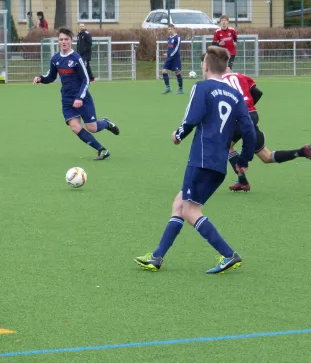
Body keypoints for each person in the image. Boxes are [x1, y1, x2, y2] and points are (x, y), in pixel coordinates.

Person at [134, 46, 256, 274]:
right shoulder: (236, 95)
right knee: (179, 204)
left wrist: (178, 135)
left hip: (200, 158)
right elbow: (249, 129)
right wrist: (244, 158)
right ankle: (157, 257)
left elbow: (192, 117)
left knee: (190, 211)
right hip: (219, 162)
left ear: (205, 65)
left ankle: (228, 254)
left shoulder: (201, 87)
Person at [222, 69, 311, 192]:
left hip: (238, 118)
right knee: (267, 157)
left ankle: (242, 181)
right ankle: (301, 152)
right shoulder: (241, 76)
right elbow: (257, 92)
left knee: (226, 146)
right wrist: (248, 105)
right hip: (252, 115)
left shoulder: (219, 80)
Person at [33, 27, 120, 160]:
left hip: (82, 98)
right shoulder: (55, 59)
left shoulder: (76, 58)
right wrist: (41, 79)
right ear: (58, 41)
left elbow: (86, 80)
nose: (63, 42)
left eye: (66, 39)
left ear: (71, 41)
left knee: (92, 127)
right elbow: (51, 77)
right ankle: (102, 150)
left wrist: (80, 97)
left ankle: (106, 123)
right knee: (75, 127)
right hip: (67, 99)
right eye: (61, 39)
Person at [161, 25, 184, 94]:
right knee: (164, 71)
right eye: (168, 29)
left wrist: (170, 55)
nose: (170, 30)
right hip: (169, 58)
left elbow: (176, 48)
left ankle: (180, 89)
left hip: (175, 58)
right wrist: (167, 53)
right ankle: (168, 88)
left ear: (174, 29)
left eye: (171, 29)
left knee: (177, 72)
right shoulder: (169, 38)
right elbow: (170, 48)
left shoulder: (177, 38)